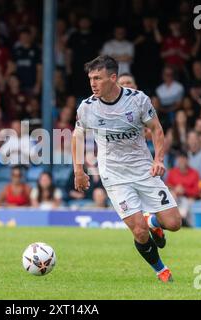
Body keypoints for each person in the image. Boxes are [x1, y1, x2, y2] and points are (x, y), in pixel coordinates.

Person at [72, 55, 181, 283]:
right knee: (139, 231)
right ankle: (161, 270)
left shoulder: (138, 100)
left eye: (98, 78)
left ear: (113, 78)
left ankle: (154, 222)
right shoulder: (87, 107)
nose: (93, 83)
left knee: (174, 223)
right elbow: (77, 136)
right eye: (91, 78)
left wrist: (158, 159)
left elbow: (157, 129)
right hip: (114, 176)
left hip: (143, 169)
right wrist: (79, 171)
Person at [166, 152, 200, 227]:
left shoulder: (194, 173)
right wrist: (175, 189)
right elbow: (167, 186)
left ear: (187, 160)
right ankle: (171, 221)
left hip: (188, 198)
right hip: (175, 198)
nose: (181, 161)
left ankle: (182, 220)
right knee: (171, 195)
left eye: (183, 159)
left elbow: (197, 191)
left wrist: (184, 190)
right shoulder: (172, 172)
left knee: (187, 202)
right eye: (180, 159)